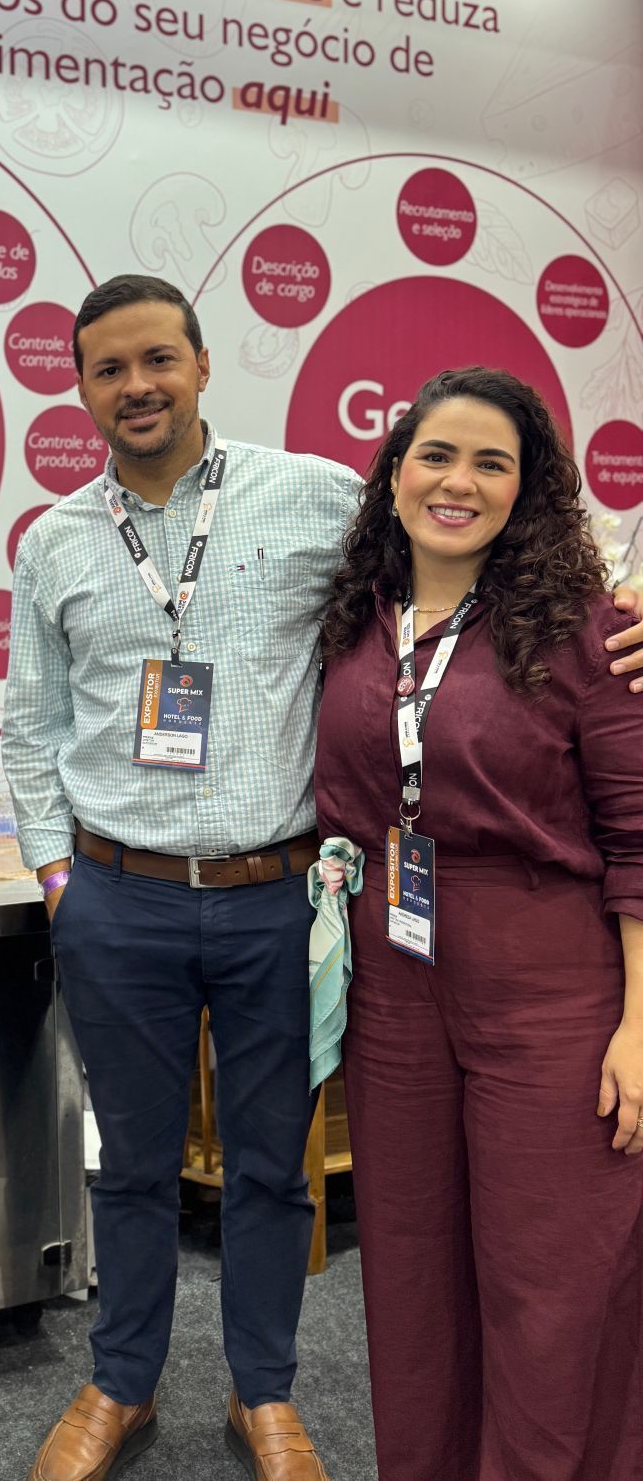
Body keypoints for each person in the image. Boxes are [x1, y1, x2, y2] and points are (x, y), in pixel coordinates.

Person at [1, 276, 643, 1481]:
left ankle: (266, 1392)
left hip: (273, 898)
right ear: (79, 385)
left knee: (267, 1163)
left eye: (158, 359)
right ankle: (119, 1380)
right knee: (129, 1161)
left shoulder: (312, 498)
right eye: (106, 367)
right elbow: (27, 724)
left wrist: (627, 601)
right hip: (115, 894)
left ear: (198, 365)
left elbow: (479, 548)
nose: (135, 385)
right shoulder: (52, 542)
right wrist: (53, 876)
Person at [314, 367, 643, 1481]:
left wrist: (640, 1025)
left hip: (548, 982)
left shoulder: (589, 631)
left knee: (547, 1281)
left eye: (489, 461)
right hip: (394, 979)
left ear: (527, 489)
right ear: (394, 470)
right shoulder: (352, 619)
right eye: (435, 454)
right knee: (408, 1271)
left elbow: (638, 836)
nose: (456, 480)